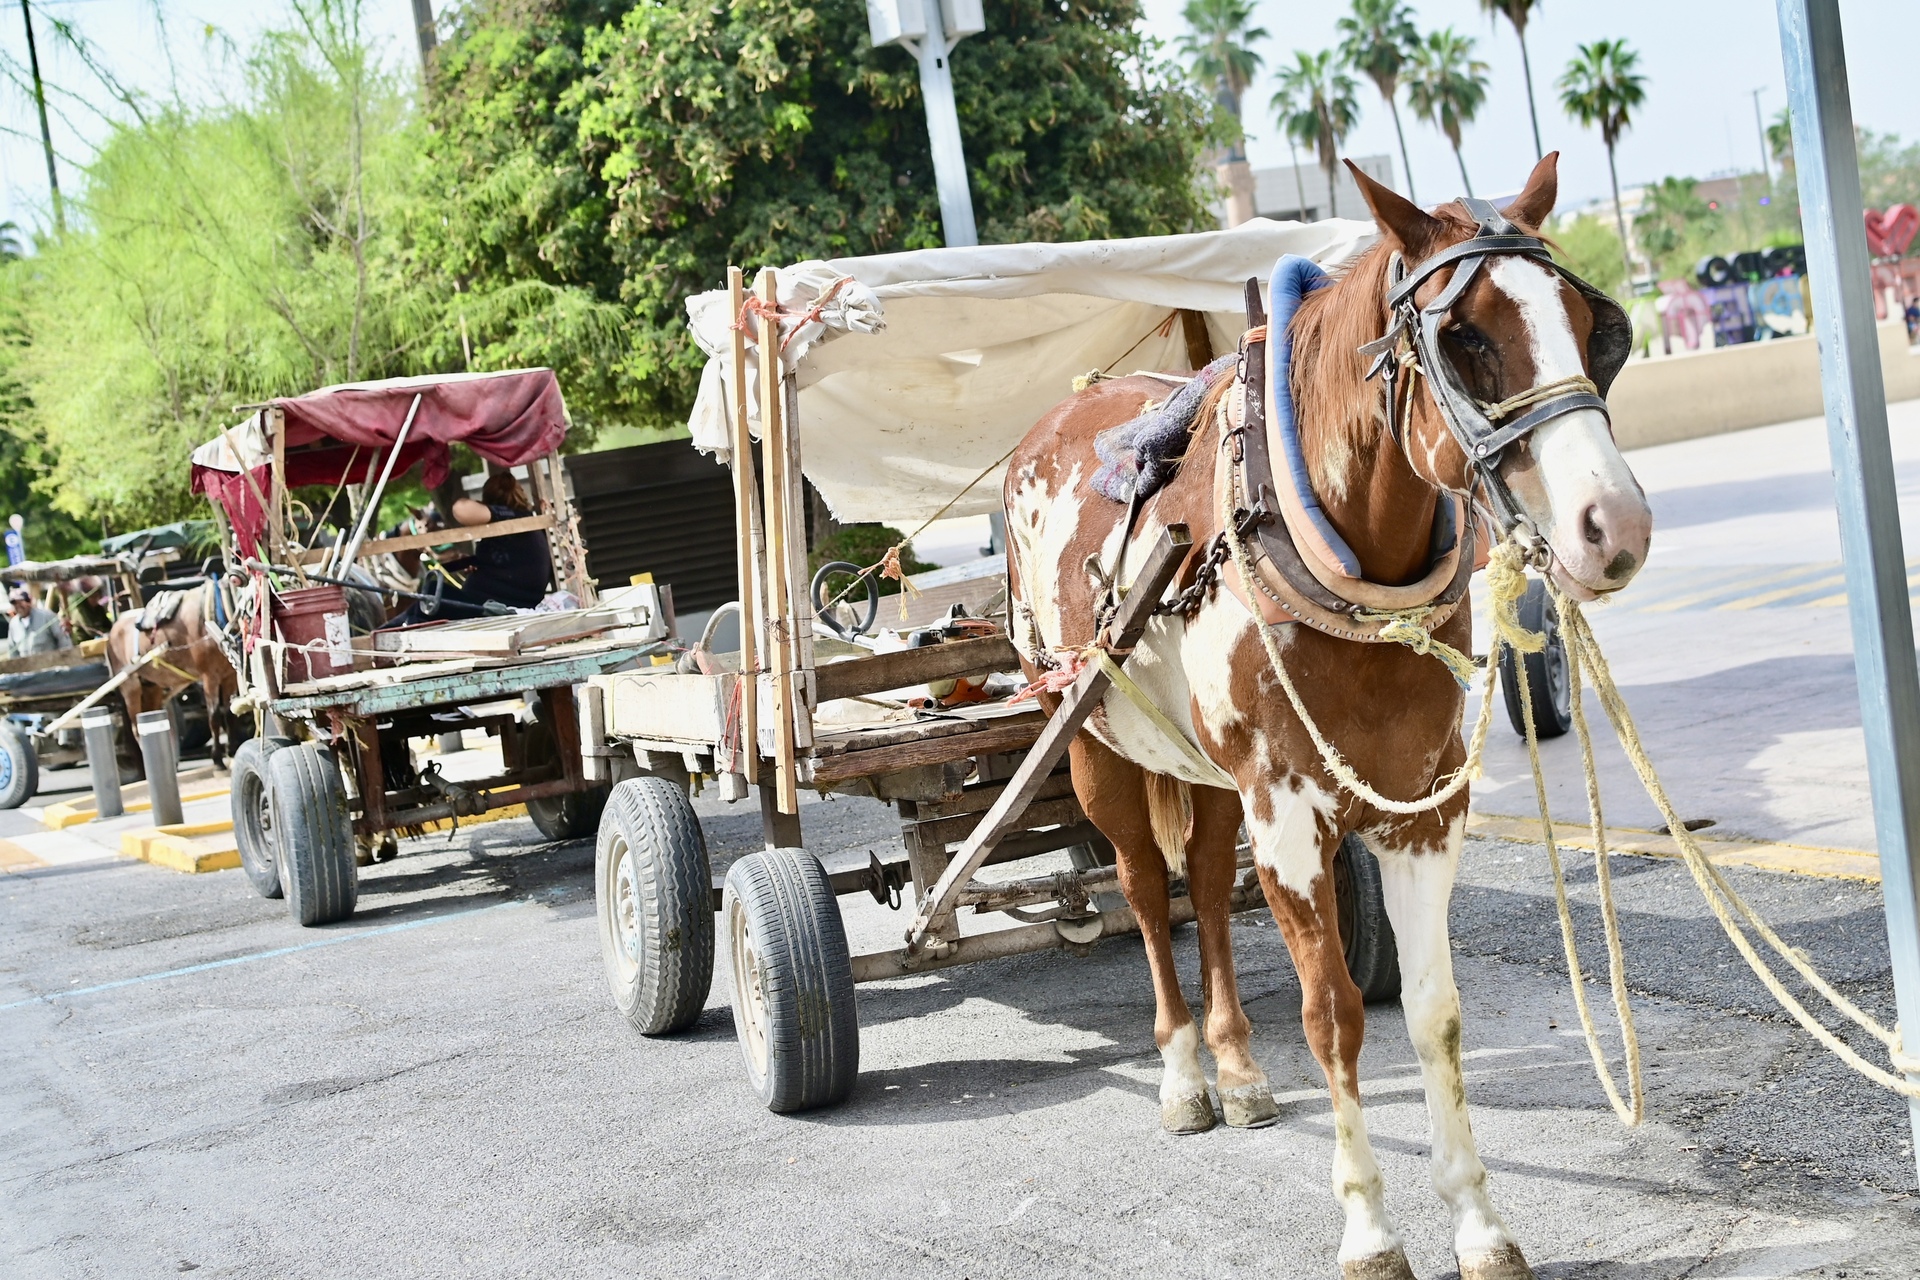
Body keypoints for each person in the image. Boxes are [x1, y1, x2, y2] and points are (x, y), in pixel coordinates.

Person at [381, 472, 552, 627]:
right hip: (494, 601)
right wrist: (469, 562)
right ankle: (389, 631)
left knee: (431, 593)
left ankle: (386, 635)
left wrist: (482, 507)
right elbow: (503, 563)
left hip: (497, 607)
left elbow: (461, 509)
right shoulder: (521, 527)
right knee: (427, 598)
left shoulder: (510, 517)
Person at [6, 585, 72, 658]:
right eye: (14, 603)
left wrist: (65, 659)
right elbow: (13, 652)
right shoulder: (13, 624)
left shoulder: (47, 616)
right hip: (28, 668)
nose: (18, 606)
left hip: (51, 665)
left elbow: (63, 640)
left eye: (21, 602)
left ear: (29, 601)